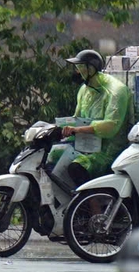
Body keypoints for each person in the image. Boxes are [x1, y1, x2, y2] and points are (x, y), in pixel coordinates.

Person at [51, 50, 134, 188]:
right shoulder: (85, 89)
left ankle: (92, 207)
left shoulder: (116, 91)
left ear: (91, 69)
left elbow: (111, 127)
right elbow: (76, 118)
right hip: (85, 144)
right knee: (52, 155)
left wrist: (77, 129)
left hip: (107, 150)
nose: (77, 72)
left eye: (80, 67)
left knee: (77, 167)